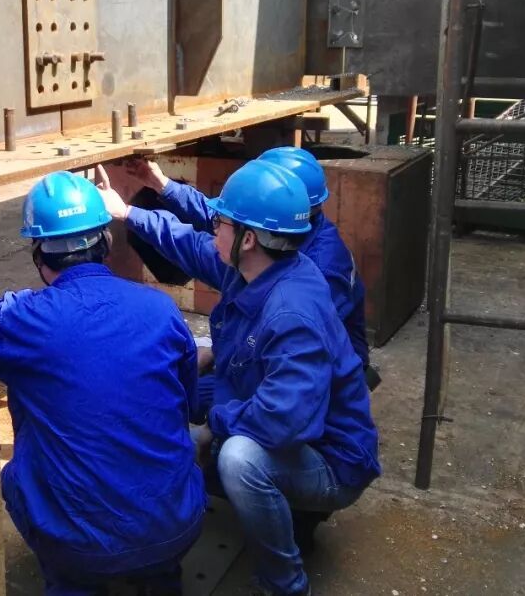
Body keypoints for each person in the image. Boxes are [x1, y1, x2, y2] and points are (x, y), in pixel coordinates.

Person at [96, 161, 380, 596]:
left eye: (220, 222)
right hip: (257, 393)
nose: (212, 228)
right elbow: (187, 242)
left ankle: (284, 582)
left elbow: (282, 421)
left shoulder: (292, 313)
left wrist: (212, 429)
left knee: (238, 459)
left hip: (331, 458)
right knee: (169, 387)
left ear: (248, 239)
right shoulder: (258, 266)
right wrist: (126, 212)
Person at [0, 166, 206, 596]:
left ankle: (74, 583)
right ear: (106, 241)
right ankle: (160, 579)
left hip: (78, 549)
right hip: (175, 529)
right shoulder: (161, 310)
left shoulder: (24, 321)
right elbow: (188, 402)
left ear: (39, 256)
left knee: (16, 477)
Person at [123, 149, 375, 385]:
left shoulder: (312, 279)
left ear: (250, 238)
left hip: (318, 380)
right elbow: (215, 226)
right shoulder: (275, 246)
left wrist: (218, 357)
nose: (216, 229)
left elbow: (290, 388)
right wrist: (159, 187)